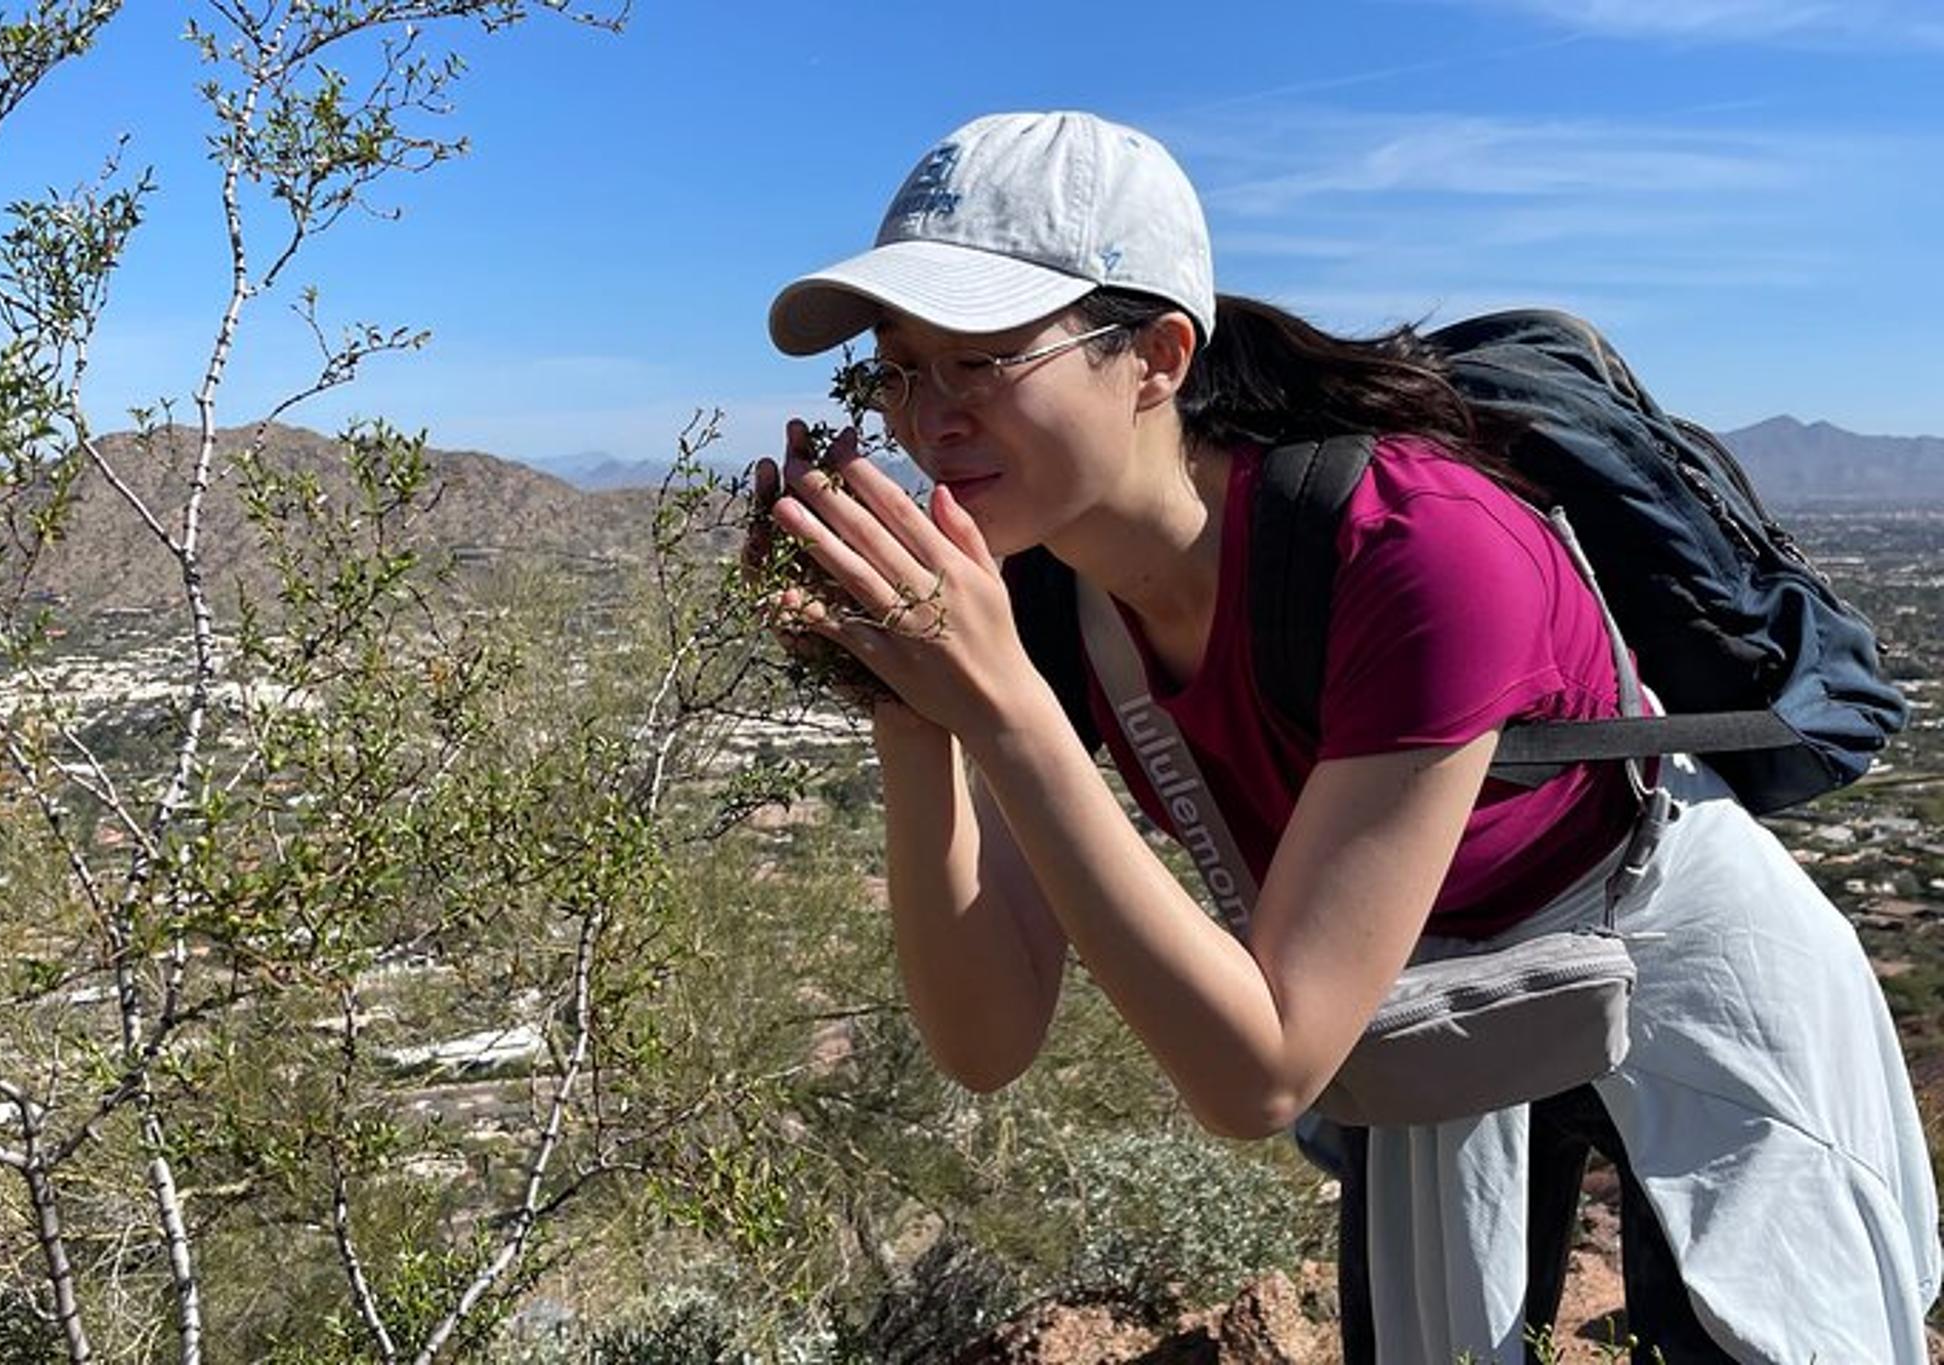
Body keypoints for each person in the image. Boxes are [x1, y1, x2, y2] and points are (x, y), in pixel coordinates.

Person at [756, 110, 1940, 1362]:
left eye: (982, 358)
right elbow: (985, 1040)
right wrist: (901, 699)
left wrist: (996, 700)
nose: (924, 420)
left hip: (1677, 967)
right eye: (897, 368)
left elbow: (1257, 1073)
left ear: (1156, 357)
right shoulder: (1042, 590)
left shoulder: (1417, 548)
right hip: (1421, 985)